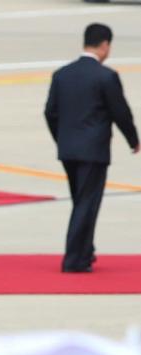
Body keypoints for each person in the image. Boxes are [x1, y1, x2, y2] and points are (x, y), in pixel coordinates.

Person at [44, 22, 139, 274]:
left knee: (80, 200)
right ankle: (74, 259)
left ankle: (85, 250)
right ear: (105, 45)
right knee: (87, 203)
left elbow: (50, 112)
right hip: (93, 151)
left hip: (68, 150)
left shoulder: (62, 74)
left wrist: (61, 138)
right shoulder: (106, 76)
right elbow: (120, 112)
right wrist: (134, 140)